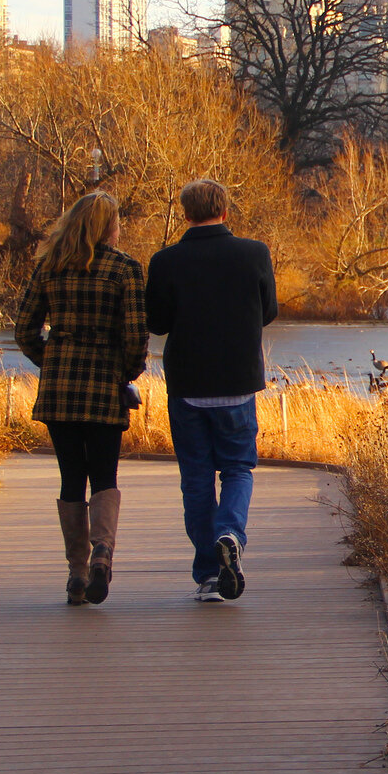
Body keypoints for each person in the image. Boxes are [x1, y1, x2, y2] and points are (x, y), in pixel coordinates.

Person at [146, 179, 277, 603]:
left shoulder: (165, 261)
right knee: (238, 469)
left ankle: (208, 575)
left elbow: (157, 323)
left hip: (188, 386)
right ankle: (229, 532)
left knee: (197, 479)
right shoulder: (254, 253)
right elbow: (269, 311)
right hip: (238, 384)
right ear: (225, 211)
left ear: (186, 214)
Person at [15, 191, 149, 607]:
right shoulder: (124, 268)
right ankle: (103, 557)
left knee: (71, 476)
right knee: (105, 474)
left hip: (60, 386)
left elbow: (24, 330)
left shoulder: (49, 267)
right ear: (109, 225)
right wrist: (124, 373)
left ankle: (76, 570)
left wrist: (51, 358)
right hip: (104, 383)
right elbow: (135, 336)